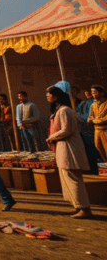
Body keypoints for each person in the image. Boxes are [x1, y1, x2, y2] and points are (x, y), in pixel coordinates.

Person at [46, 83, 94, 219]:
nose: (47, 96)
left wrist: (51, 137)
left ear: (56, 96)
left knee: (73, 178)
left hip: (69, 147)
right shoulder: (60, 110)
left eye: (49, 94)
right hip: (63, 146)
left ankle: (85, 208)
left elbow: (67, 130)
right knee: (67, 178)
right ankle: (78, 206)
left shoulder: (65, 110)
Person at [90, 85, 107, 163]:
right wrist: (91, 120)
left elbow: (105, 119)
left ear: (102, 93)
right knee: (99, 147)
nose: (93, 94)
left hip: (105, 130)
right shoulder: (93, 105)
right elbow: (90, 117)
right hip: (97, 131)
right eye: (92, 92)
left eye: (95, 92)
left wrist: (96, 121)